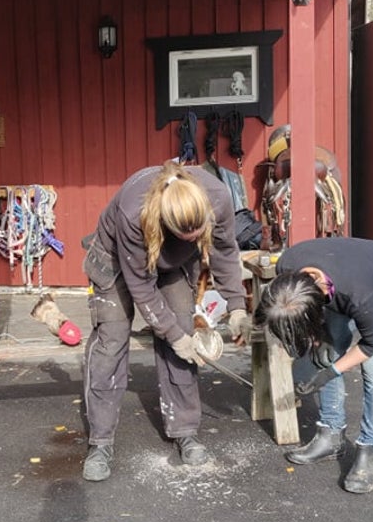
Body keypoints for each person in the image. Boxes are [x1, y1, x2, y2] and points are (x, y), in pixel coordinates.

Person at [80, 160, 252, 482]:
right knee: (112, 341)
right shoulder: (133, 212)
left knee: (183, 331)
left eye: (199, 232)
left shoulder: (218, 197)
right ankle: (100, 442)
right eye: (188, 233)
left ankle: (185, 429)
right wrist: (171, 334)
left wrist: (237, 306)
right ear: (167, 221)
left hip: (173, 262)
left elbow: (225, 251)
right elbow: (142, 288)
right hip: (118, 260)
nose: (197, 237)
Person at [254, 237, 373, 493]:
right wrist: (319, 342)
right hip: (342, 276)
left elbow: (371, 344)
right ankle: (331, 435)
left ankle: (368, 448)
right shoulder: (287, 269)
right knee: (324, 352)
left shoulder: (358, 294)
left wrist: (330, 373)